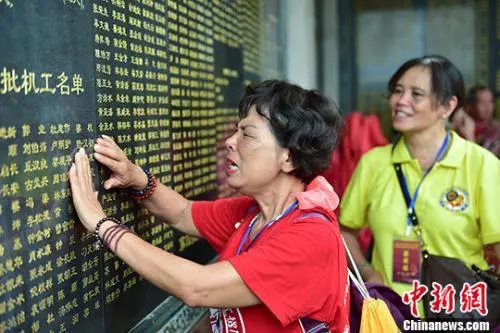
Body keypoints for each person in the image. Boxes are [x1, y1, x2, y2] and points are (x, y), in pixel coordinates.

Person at [68, 80, 350, 333]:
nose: (230, 142)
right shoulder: (255, 214)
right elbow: (183, 213)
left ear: (288, 158)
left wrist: (100, 224)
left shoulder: (309, 237)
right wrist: (135, 178)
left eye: (247, 134)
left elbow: (197, 288)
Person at [339, 55, 500, 316]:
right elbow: (345, 230)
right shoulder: (374, 163)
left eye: (416, 94)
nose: (401, 101)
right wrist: (367, 271)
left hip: (458, 317)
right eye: (398, 91)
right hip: (391, 317)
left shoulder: (481, 165)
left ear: (447, 106)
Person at [466, 85, 500, 157]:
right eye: (482, 103)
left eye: (490, 102)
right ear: (471, 106)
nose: (488, 107)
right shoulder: (464, 127)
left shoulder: (497, 129)